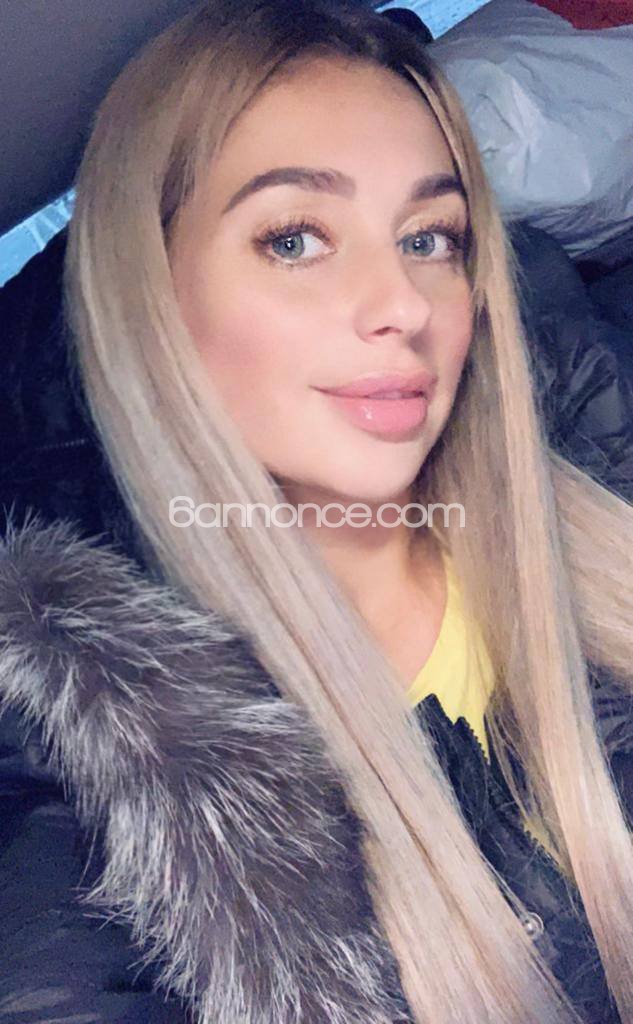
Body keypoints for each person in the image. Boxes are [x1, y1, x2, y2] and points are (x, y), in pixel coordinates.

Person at [0, 1, 632, 1021]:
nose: (403, 304)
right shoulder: (98, 790)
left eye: (429, 238)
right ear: (151, 295)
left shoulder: (599, 479)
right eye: (293, 239)